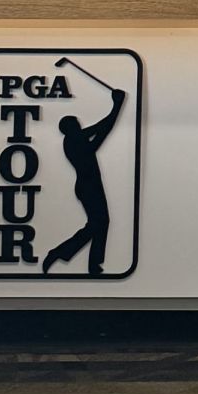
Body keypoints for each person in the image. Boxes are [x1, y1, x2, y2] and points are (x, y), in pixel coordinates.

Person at [41, 86, 127, 276]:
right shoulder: (73, 140)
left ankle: (93, 264)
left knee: (101, 223)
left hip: (91, 184)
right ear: (69, 129)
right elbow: (101, 127)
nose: (79, 125)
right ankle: (61, 253)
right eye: (75, 124)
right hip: (88, 186)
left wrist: (116, 108)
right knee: (98, 223)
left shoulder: (79, 142)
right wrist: (117, 105)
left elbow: (103, 132)